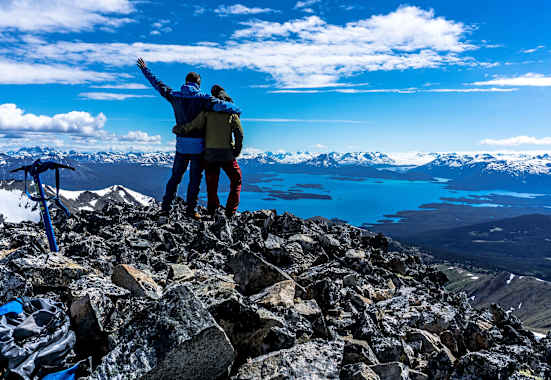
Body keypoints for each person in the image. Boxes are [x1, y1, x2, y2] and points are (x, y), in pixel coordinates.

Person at [137, 58, 240, 219]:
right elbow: (223, 106)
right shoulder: (203, 98)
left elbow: (158, 84)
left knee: (175, 178)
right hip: (198, 147)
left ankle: (165, 208)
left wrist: (145, 70)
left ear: (185, 82)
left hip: (181, 147)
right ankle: (191, 211)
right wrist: (237, 109)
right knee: (194, 181)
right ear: (198, 83)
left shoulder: (174, 96)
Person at [173, 85, 243, 218]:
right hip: (227, 154)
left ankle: (212, 210)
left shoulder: (207, 112)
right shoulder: (231, 112)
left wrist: (179, 129)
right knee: (236, 180)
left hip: (210, 154)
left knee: (212, 184)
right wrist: (236, 151)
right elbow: (239, 134)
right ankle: (230, 211)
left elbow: (193, 125)